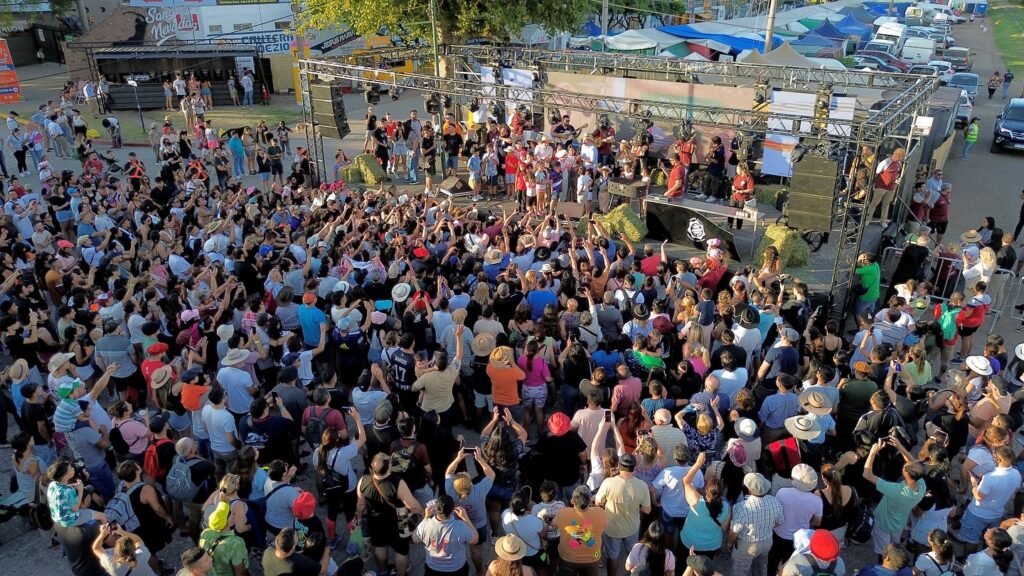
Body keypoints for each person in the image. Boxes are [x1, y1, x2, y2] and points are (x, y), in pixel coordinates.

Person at [727, 472, 783, 576]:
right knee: (761, 569)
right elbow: (779, 522)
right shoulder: (775, 501)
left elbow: (734, 531)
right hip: (767, 542)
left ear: (750, 489)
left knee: (740, 571)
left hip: (746, 546)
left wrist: (729, 542)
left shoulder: (741, 507)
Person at [413, 494, 479, 576]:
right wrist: (466, 518)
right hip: (457, 568)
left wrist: (426, 517)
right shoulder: (461, 526)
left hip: (433, 568)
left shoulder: (426, 524)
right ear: (452, 510)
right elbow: (475, 539)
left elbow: (415, 539)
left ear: (435, 509)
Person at [553, 486, 607, 576]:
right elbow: (604, 526)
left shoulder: (562, 513)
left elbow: (554, 525)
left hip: (567, 557)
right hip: (593, 558)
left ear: (572, 501)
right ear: (590, 501)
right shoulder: (601, 513)